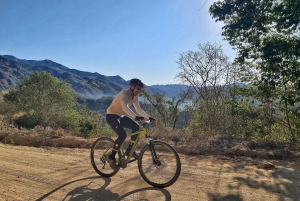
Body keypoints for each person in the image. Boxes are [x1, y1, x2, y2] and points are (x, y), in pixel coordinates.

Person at [105, 78, 156, 170]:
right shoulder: (124, 94)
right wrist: (136, 117)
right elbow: (125, 108)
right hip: (111, 116)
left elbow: (138, 109)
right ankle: (111, 157)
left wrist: (149, 117)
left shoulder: (135, 97)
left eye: (140, 89)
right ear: (132, 87)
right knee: (122, 135)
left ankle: (129, 151)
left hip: (120, 116)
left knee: (136, 127)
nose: (139, 91)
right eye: (138, 88)